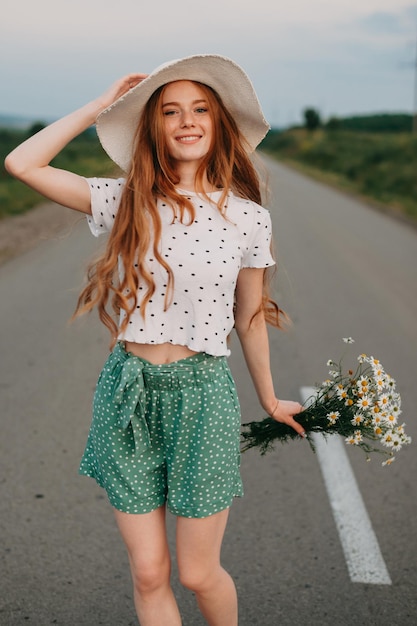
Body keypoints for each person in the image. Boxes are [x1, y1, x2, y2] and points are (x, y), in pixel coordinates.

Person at [5, 54, 305, 626]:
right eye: (170, 111)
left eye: (199, 110)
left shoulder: (248, 219)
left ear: (218, 126)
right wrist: (101, 107)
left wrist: (269, 398)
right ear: (155, 128)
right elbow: (22, 163)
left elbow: (248, 318)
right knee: (148, 572)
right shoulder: (127, 199)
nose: (186, 121)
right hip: (129, 391)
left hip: (203, 396)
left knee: (196, 573)